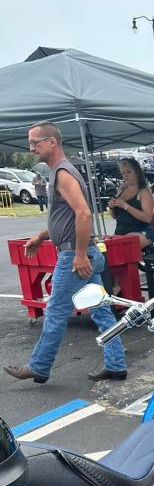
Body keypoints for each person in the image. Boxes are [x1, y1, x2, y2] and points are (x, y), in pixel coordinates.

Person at [3, 122, 127, 384]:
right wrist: (42, 235)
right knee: (101, 311)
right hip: (83, 253)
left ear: (52, 142)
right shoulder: (60, 171)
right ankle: (116, 364)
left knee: (56, 312)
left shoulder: (62, 173)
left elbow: (83, 214)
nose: (31, 148)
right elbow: (66, 218)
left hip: (75, 256)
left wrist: (79, 255)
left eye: (35, 143)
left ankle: (39, 366)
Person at [108, 158, 154, 250]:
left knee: (125, 246)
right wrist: (112, 207)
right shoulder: (121, 190)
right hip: (120, 233)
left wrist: (126, 206)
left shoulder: (144, 192)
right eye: (123, 173)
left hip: (140, 232)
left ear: (137, 173)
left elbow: (148, 218)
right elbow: (114, 216)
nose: (125, 175)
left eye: (128, 172)